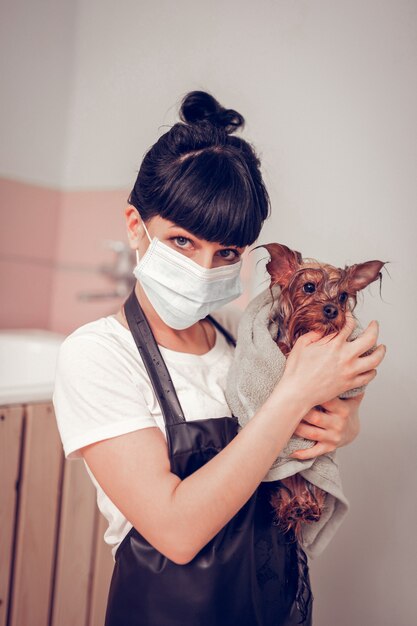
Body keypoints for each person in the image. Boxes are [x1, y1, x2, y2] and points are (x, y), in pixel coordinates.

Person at [52, 90, 386, 626]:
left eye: (226, 253)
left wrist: (339, 425)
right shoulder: (97, 356)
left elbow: (296, 441)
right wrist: (295, 393)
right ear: (136, 226)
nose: (205, 268)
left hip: (274, 605)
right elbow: (177, 532)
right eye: (183, 242)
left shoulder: (243, 342)